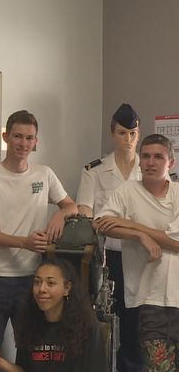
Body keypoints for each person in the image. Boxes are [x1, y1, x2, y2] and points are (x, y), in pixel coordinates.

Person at [0, 110, 78, 371]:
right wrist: (24, 242)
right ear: (6, 137)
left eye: (29, 138)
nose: (23, 143)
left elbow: (72, 206)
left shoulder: (44, 174)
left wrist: (60, 216)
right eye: (18, 136)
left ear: (36, 141)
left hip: (32, 279)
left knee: (33, 348)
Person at [94, 134, 179, 371]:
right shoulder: (127, 191)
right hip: (148, 299)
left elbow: (176, 243)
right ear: (139, 162)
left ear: (170, 163)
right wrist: (139, 237)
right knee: (158, 368)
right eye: (146, 156)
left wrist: (133, 225)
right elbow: (101, 222)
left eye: (158, 157)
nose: (151, 162)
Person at [75, 102, 143, 371]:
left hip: (142, 257)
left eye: (133, 134)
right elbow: (86, 215)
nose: (128, 139)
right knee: (106, 321)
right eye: (122, 133)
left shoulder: (148, 170)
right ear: (112, 134)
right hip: (108, 257)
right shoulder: (95, 171)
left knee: (136, 324)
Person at [0, 258, 108, 372]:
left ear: (67, 288)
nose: (41, 289)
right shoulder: (28, 324)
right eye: (37, 282)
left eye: (50, 283)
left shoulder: (87, 327)